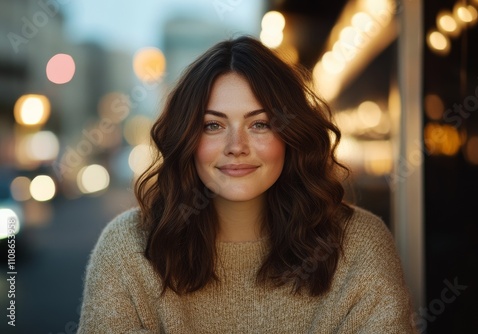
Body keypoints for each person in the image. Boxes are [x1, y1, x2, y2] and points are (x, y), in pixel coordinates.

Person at [77, 35, 418, 333]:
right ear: (187, 139)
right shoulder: (128, 250)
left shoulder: (360, 245)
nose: (236, 146)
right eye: (213, 126)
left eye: (260, 124)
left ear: (290, 135)